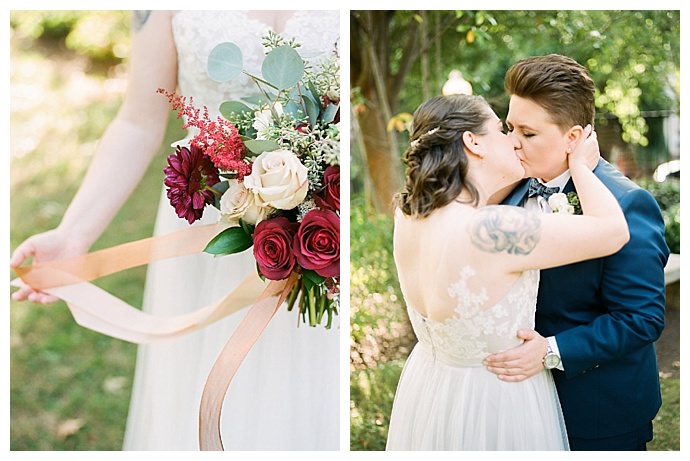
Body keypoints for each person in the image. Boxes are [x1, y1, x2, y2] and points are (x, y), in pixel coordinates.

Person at [10, 10, 339, 450]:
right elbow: (138, 120)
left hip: (325, 231)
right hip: (210, 231)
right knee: (204, 391)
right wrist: (74, 234)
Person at [386, 93, 629, 450]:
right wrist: (579, 165)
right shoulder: (493, 229)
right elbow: (613, 232)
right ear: (473, 142)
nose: (512, 141)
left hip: (431, 390)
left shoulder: (408, 216)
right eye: (500, 130)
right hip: (496, 400)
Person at [484, 54, 669, 451]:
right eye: (509, 127)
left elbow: (641, 319)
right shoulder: (511, 191)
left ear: (573, 138)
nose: (513, 141)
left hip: (598, 410)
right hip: (518, 405)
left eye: (528, 133)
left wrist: (549, 352)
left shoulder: (628, 204)